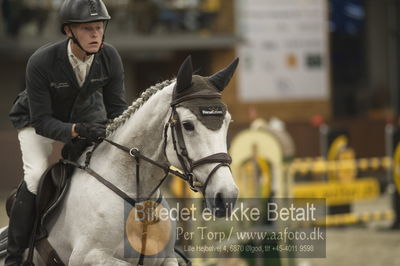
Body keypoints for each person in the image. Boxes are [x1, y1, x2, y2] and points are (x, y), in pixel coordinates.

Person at [6, 0, 128, 264]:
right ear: (68, 31)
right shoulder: (41, 61)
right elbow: (43, 121)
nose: (96, 34)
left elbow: (118, 109)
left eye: (99, 27)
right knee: (37, 176)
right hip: (37, 121)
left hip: (84, 119)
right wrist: (76, 130)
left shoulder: (110, 57)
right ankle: (16, 256)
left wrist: (110, 130)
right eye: (87, 29)